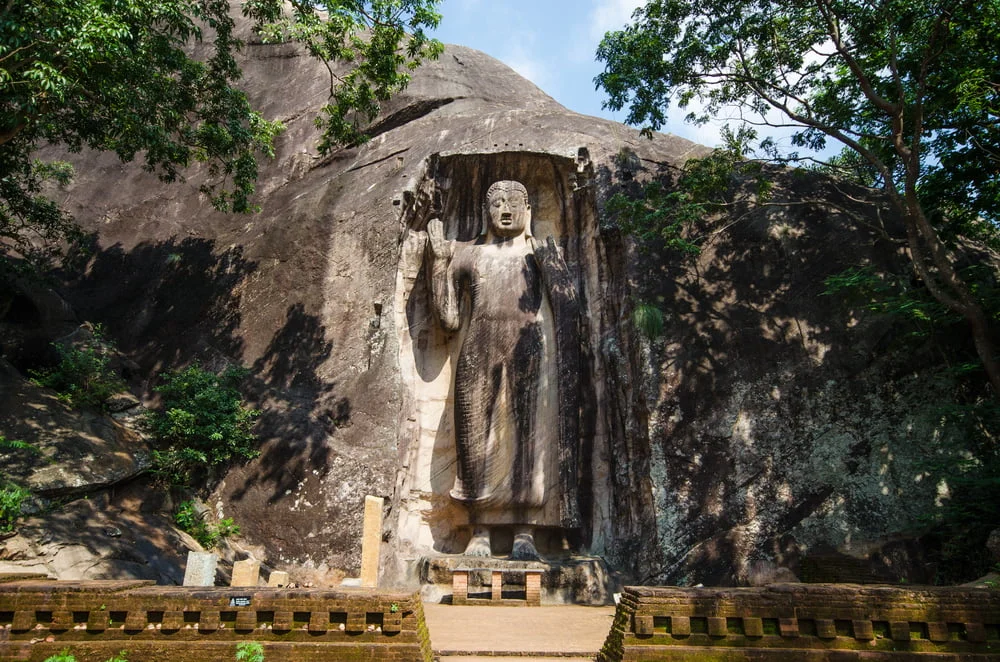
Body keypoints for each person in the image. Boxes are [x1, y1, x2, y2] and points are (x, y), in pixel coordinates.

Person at [425, 180, 579, 560]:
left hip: (529, 347)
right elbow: (447, 320)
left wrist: (552, 265)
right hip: (478, 349)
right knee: (474, 437)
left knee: (527, 438)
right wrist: (439, 265)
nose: (505, 209)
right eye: (497, 202)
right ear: (486, 211)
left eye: (514, 202)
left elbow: (569, 310)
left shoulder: (540, 251)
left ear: (527, 210)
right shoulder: (468, 255)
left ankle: (524, 530)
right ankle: (479, 530)